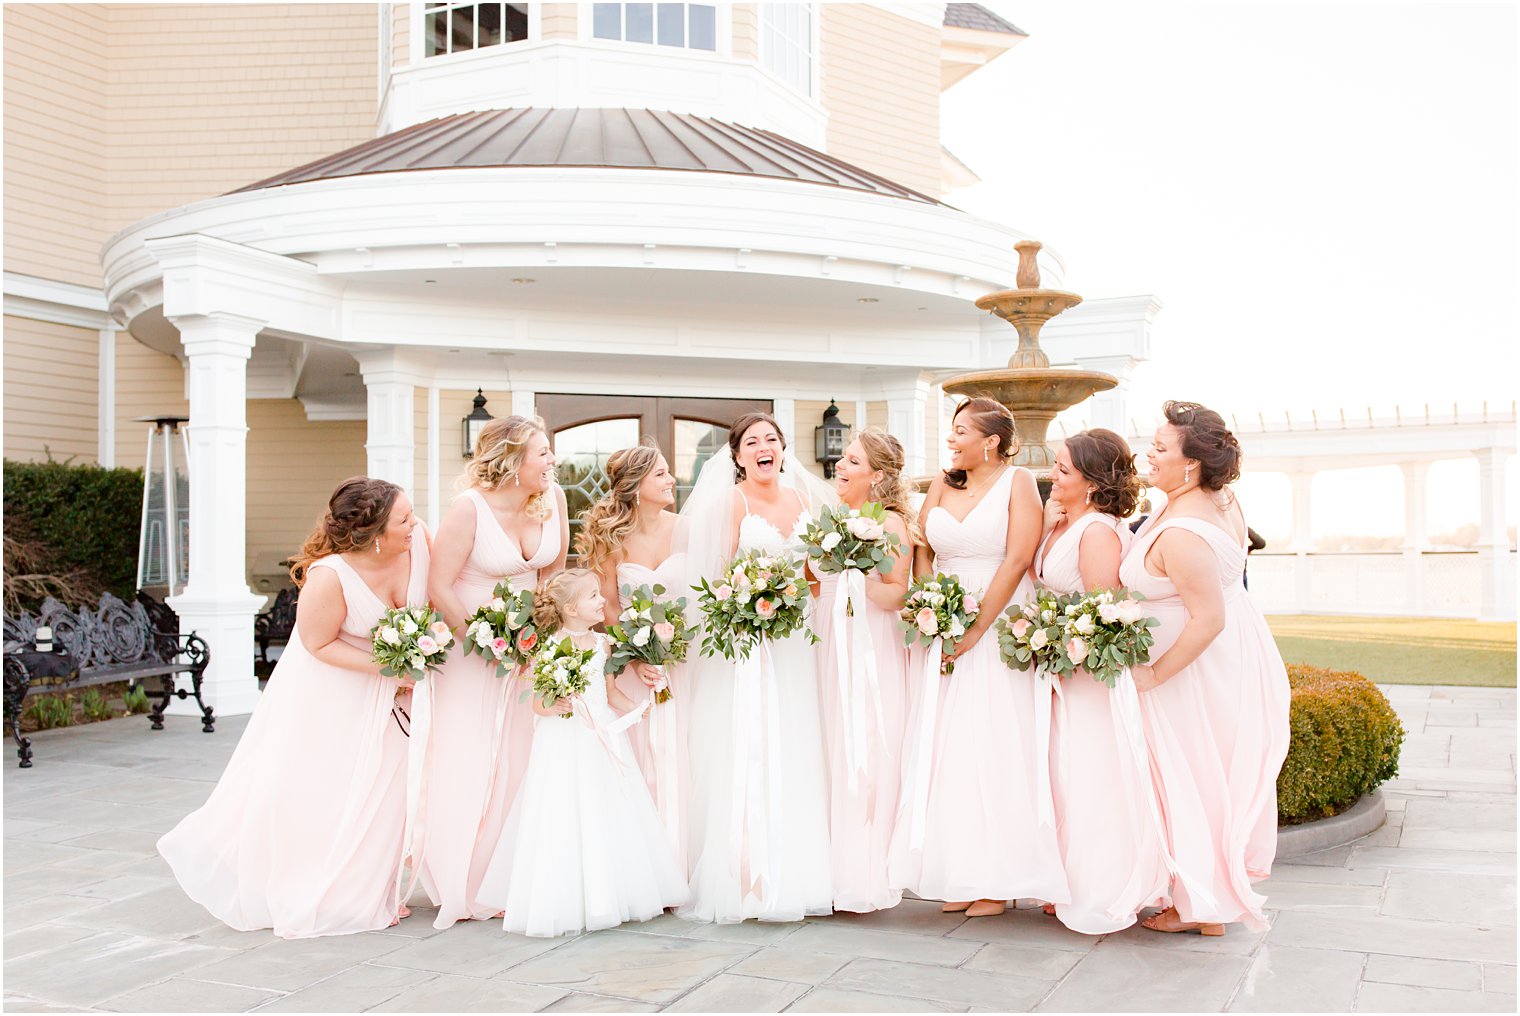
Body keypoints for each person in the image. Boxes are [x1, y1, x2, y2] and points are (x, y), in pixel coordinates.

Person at [159, 477, 427, 938]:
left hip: (390, 695)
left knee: (388, 787)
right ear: (373, 534)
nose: (415, 523)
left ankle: (372, 886)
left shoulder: (415, 547)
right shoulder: (330, 576)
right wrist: (387, 671)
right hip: (334, 695)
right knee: (330, 789)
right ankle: (323, 887)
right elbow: (316, 644)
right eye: (403, 519)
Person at [890, 397, 1068, 919]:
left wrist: (975, 629)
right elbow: (923, 547)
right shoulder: (945, 483)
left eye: (961, 431)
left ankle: (1000, 879)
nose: (951, 439)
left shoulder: (1017, 483)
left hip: (998, 615)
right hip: (946, 618)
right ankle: (962, 872)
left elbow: (1016, 559)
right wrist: (933, 607)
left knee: (996, 740)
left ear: (990, 440)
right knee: (951, 744)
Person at [1121, 401, 1291, 935]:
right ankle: (1204, 901)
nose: (1148, 454)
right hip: (1226, 657)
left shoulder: (1184, 532)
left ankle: (1198, 904)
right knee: (1204, 774)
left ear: (1191, 464)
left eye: (1161, 448)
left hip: (1192, 670)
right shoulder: (1219, 498)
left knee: (1186, 777)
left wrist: (1154, 674)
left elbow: (1207, 619)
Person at [676, 412, 836, 923]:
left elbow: (814, 573)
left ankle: (800, 874)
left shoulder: (805, 500)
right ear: (738, 456)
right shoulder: (731, 503)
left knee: (795, 743)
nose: (763, 447)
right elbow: (716, 579)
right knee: (748, 745)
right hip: (747, 643)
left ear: (783, 450)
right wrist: (747, 607)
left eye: (771, 439)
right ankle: (742, 878)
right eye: (752, 442)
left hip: (797, 640)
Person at [411, 415, 568, 929]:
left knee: (526, 758)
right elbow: (440, 586)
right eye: (542, 453)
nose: (551, 462)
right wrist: (488, 642)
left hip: (531, 648)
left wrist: (541, 642)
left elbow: (553, 579)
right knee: (472, 755)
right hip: (470, 649)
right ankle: (467, 880)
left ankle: (516, 874)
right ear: (512, 459)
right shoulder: (468, 509)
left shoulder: (554, 502)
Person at [476, 570, 689, 936]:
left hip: (600, 736)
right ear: (571, 608)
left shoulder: (603, 644)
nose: (602, 600)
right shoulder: (546, 646)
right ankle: (568, 896)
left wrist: (641, 709)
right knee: (564, 811)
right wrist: (554, 702)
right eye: (593, 596)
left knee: (607, 808)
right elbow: (537, 705)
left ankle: (611, 893)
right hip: (562, 741)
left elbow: (609, 693)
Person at [1033, 430, 1168, 934]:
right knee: (1064, 776)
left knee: (1091, 775)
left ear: (1091, 484)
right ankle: (1066, 879)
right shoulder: (1068, 522)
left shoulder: (1097, 534)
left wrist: (1057, 638)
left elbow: (1103, 614)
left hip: (1089, 676)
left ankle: (1101, 886)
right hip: (1062, 672)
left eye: (1063, 470)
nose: (1052, 475)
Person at [814, 428, 915, 913]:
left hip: (870, 644)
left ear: (876, 475)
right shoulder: (833, 519)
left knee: (867, 747)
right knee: (832, 745)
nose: (841, 465)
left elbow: (898, 590)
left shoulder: (890, 524)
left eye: (852, 461)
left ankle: (864, 872)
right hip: (828, 641)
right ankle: (830, 868)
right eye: (843, 458)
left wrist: (856, 580)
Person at [578, 441, 687, 861]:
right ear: (637, 486)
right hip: (635, 668)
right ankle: (646, 861)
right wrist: (639, 655)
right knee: (642, 758)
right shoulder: (611, 540)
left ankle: (683, 858)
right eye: (660, 473)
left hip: (687, 661)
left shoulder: (686, 528)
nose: (671, 479)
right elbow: (607, 607)